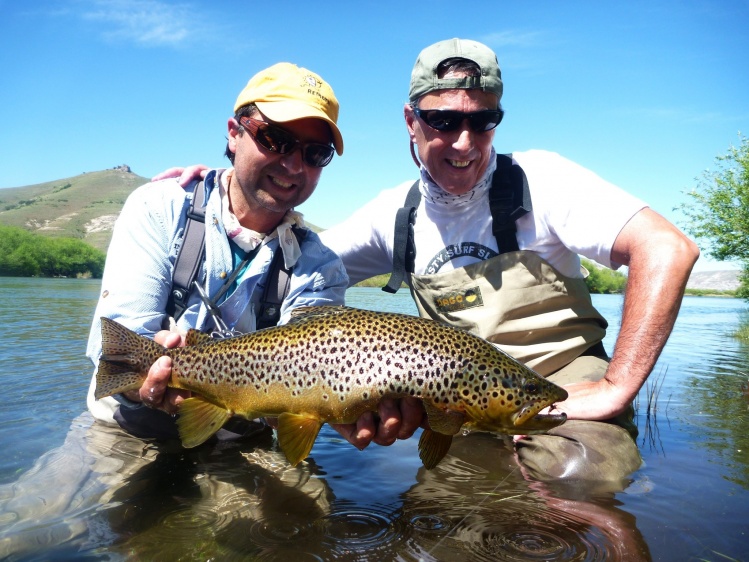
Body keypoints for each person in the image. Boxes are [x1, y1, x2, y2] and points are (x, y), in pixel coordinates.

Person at [159, 39, 700, 483]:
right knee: (439, 520)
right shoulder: (393, 215)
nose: (463, 142)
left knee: (577, 482)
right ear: (410, 120)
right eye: (441, 121)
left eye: (483, 121)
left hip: (560, 391)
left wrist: (616, 388)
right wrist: (223, 184)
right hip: (449, 408)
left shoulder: (543, 179)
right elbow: (285, 252)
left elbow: (668, 248)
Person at [86, 62, 349, 439]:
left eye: (315, 153)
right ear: (233, 134)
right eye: (275, 139)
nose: (293, 164)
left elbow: (305, 383)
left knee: (316, 500)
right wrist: (146, 376)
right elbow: (115, 355)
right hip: (124, 432)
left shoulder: (321, 268)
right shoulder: (161, 207)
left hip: (240, 441)